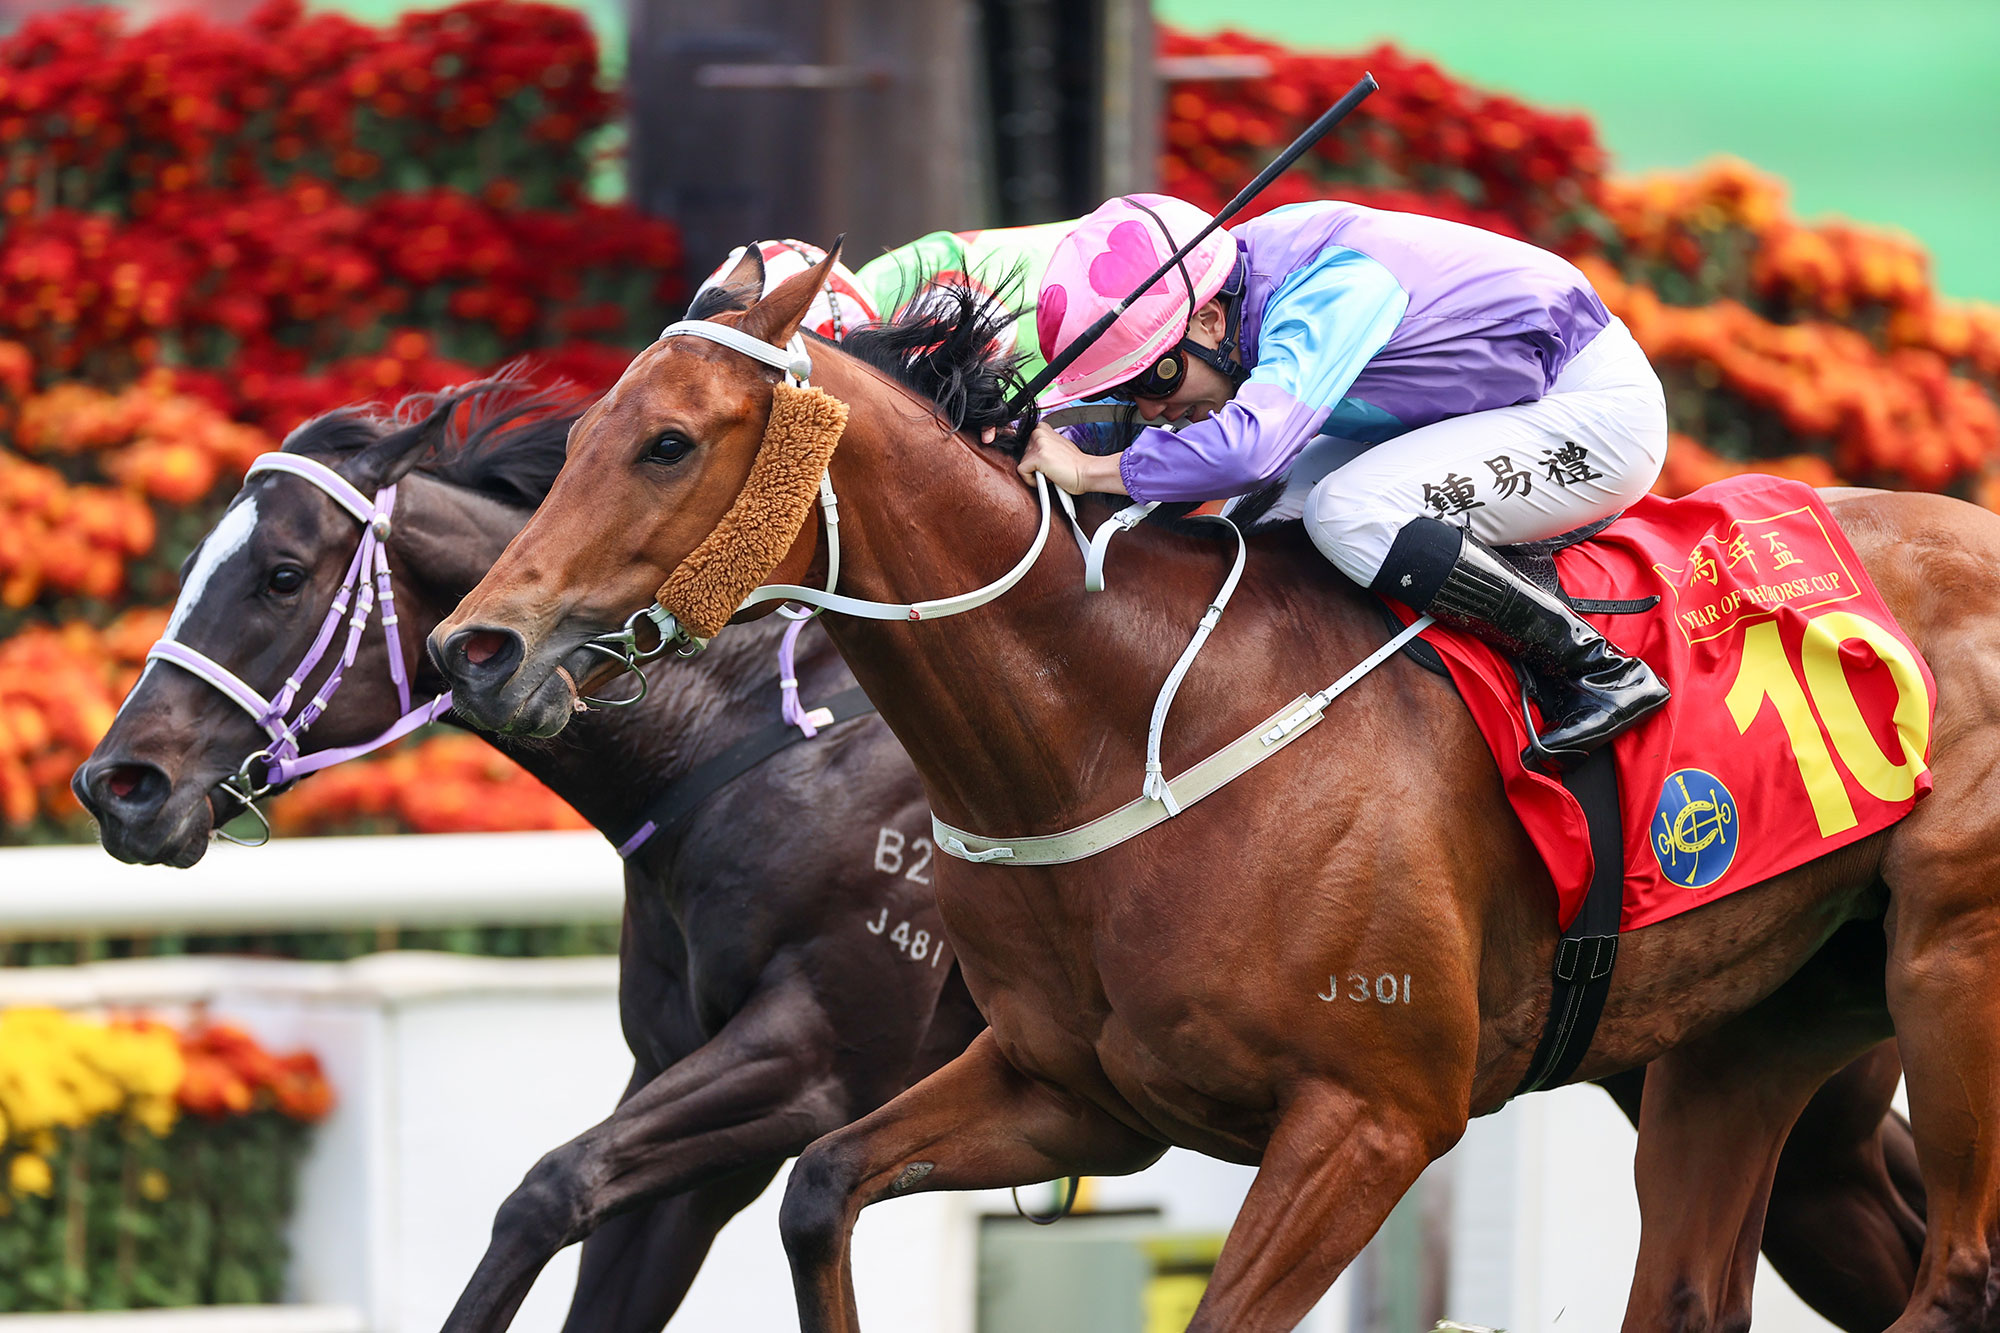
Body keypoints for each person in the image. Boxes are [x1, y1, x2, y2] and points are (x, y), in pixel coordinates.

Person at [1017, 193, 1671, 769]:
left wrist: (1094, 470)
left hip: (1591, 414)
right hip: (1484, 409)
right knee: (1258, 516)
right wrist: (1027, 434)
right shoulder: (1227, 301)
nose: (1152, 408)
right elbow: (1121, 425)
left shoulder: (1330, 288)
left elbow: (1253, 449)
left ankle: (1596, 671)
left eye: (1156, 378)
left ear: (1210, 320)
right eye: (1126, 388)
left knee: (1346, 512)